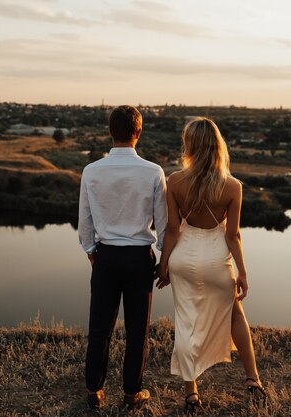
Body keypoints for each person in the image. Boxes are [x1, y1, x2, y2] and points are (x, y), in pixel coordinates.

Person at [155, 117, 267, 412]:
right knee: (235, 315)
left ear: (189, 145)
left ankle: (192, 392)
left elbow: (171, 229)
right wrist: (242, 272)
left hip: (183, 258)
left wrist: (163, 264)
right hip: (217, 260)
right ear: (218, 146)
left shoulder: (175, 180)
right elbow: (233, 234)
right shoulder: (232, 187)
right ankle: (252, 379)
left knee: (186, 321)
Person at [78, 105, 167, 410]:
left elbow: (85, 220)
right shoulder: (153, 171)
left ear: (109, 132)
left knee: (99, 326)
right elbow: (163, 223)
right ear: (138, 133)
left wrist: (92, 253)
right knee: (137, 330)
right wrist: (164, 260)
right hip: (139, 258)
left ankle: (94, 390)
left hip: (106, 257)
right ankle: (132, 393)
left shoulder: (91, 171)